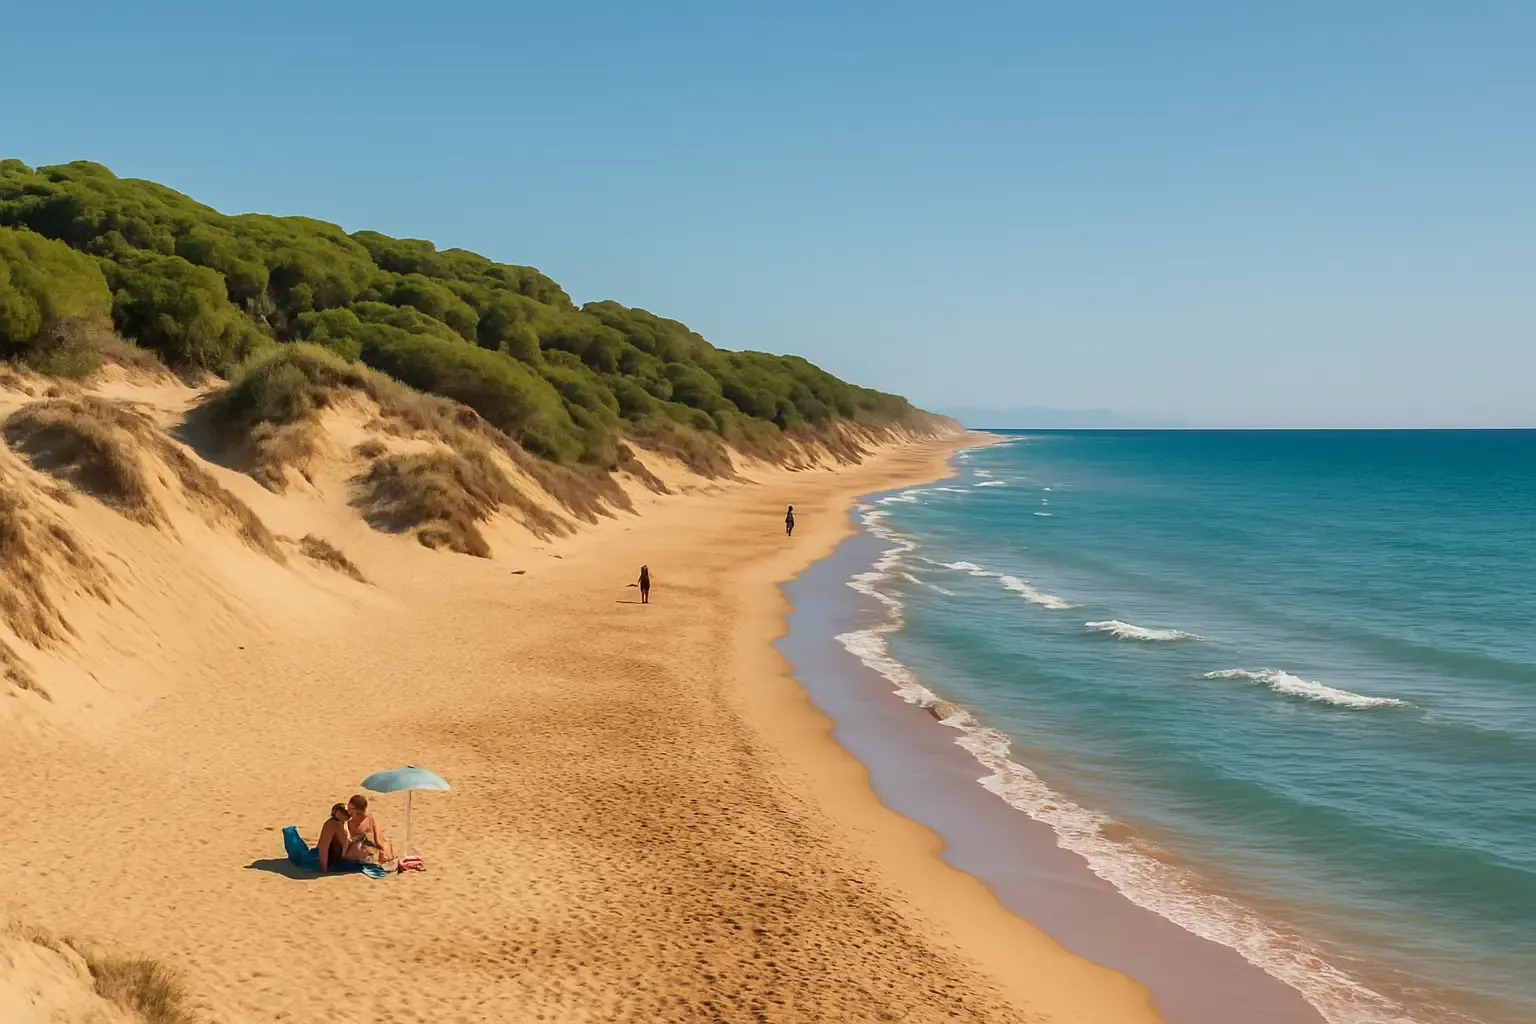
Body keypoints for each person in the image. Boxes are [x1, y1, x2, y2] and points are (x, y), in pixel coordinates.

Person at [343, 793, 394, 865]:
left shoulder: (370, 819)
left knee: (385, 847)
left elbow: (378, 837)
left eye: (351, 808)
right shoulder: (348, 823)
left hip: (370, 849)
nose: (348, 811)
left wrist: (382, 849)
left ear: (358, 810)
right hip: (361, 851)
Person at [317, 802, 350, 872]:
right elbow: (324, 847)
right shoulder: (331, 825)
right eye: (345, 813)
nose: (348, 815)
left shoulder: (343, 823)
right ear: (338, 813)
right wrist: (324, 869)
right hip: (334, 860)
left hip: (342, 858)